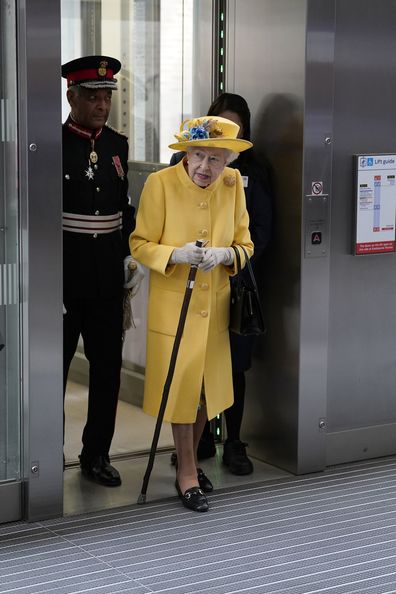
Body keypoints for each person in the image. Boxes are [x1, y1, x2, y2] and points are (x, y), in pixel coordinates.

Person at [130, 116, 253, 511]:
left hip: (214, 307)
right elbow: (139, 243)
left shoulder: (233, 188)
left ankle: (190, 462)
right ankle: (187, 472)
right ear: (186, 153)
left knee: (205, 392)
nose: (205, 167)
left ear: (228, 162)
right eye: (198, 155)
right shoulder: (160, 184)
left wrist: (225, 255)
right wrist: (174, 254)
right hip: (174, 307)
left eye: (216, 160)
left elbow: (245, 244)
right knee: (182, 388)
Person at [170, 93, 272, 475]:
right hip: (190, 282)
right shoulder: (183, 168)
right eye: (217, 128)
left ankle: (233, 441)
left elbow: (261, 231)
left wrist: (230, 257)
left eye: (235, 130)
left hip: (236, 283)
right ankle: (193, 449)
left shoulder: (253, 174)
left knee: (232, 367)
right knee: (191, 370)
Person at [61, 56, 144, 487]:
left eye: (106, 95)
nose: (101, 103)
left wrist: (130, 253)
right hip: (63, 279)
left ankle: (96, 454)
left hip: (106, 281)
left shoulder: (116, 144)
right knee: (51, 369)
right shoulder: (52, 144)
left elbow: (122, 208)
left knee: (107, 369)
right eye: (92, 95)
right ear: (71, 95)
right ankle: (44, 451)